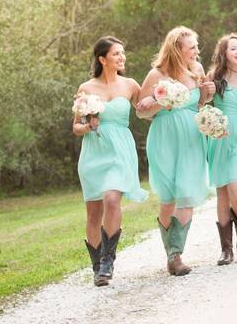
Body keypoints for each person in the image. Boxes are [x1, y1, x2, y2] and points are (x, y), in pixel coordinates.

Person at [137, 27, 215, 276]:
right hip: (164, 137)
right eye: (191, 47)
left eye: (196, 46)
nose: (196, 51)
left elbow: (199, 104)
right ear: (176, 49)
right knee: (168, 196)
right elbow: (141, 111)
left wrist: (206, 96)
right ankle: (171, 252)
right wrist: (157, 103)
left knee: (188, 191)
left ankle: (176, 254)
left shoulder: (197, 70)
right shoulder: (156, 74)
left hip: (192, 137)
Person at [74, 36, 147, 286]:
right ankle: (97, 267)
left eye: (123, 53)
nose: (122, 57)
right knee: (93, 213)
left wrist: (170, 101)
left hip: (120, 151)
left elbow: (145, 110)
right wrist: (89, 125)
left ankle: (108, 261)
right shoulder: (86, 88)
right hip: (94, 152)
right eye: (116, 53)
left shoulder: (131, 85)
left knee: (112, 199)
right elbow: (76, 127)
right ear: (102, 59)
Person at [206, 33, 237, 266]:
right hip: (219, 135)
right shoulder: (214, 77)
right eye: (233, 49)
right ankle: (226, 249)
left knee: (236, 185)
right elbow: (202, 104)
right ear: (223, 53)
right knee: (222, 190)